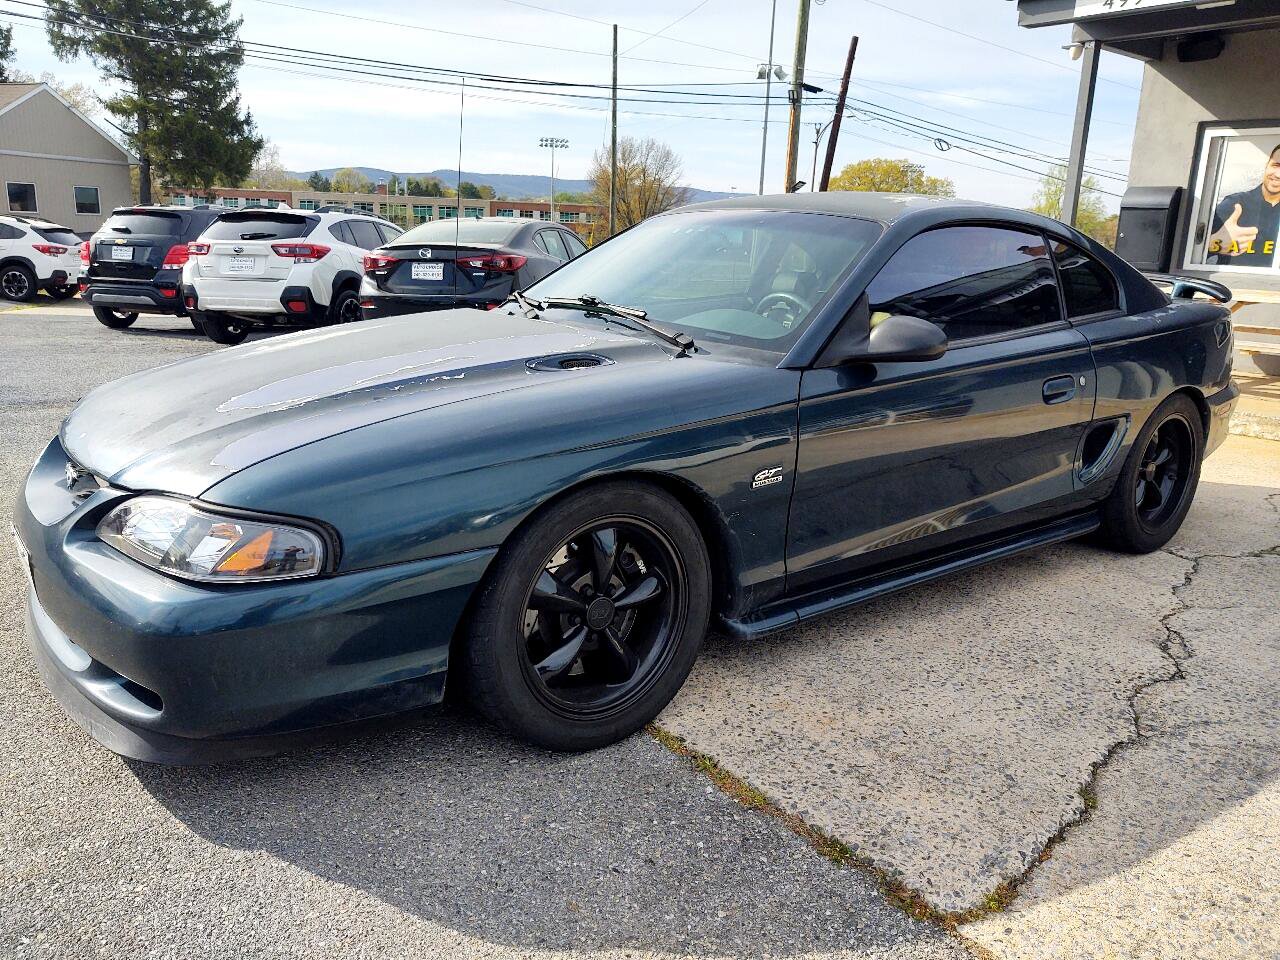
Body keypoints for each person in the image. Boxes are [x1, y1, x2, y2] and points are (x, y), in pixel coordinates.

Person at [1207, 143, 1280, 267]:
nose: (1278, 175)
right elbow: (1189, 250)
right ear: (1266, 165)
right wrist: (1213, 243)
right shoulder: (1234, 204)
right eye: (1276, 165)